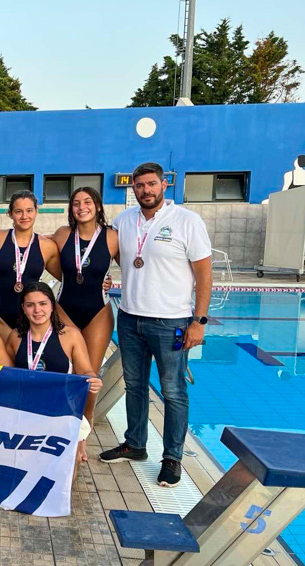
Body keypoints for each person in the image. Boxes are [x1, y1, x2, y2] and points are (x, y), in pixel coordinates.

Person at [99, 162, 212, 489]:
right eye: (139, 185)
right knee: (134, 386)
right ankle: (135, 444)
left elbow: (204, 274)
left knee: (173, 391)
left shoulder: (187, 221)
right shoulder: (124, 220)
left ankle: (172, 457)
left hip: (171, 321)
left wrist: (199, 321)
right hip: (130, 317)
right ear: (133, 188)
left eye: (151, 184)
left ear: (164, 185)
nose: (145, 190)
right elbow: (121, 257)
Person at [52, 187, 119, 450]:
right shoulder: (62, 234)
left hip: (98, 312)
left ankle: (82, 433)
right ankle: (59, 424)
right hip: (64, 309)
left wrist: (111, 283)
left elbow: (135, 267)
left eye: (87, 202)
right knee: (64, 371)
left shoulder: (112, 237)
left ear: (98, 206)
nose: (82, 207)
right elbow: (41, 257)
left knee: (89, 374)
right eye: (76, 203)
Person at [6, 282, 102, 461]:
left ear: (52, 306)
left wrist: (93, 379)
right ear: (23, 308)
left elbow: (85, 370)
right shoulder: (15, 337)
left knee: (65, 470)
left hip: (61, 411)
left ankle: (80, 441)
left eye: (43, 304)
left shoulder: (70, 336)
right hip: (27, 411)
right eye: (30, 305)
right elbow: (8, 377)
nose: (37, 310)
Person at [0, 191, 61, 342]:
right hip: (1, 317)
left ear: (36, 211)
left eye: (29, 211)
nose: (24, 216)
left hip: (33, 318)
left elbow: (68, 277)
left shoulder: (47, 246)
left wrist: (103, 281)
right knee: (2, 358)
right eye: (18, 211)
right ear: (10, 214)